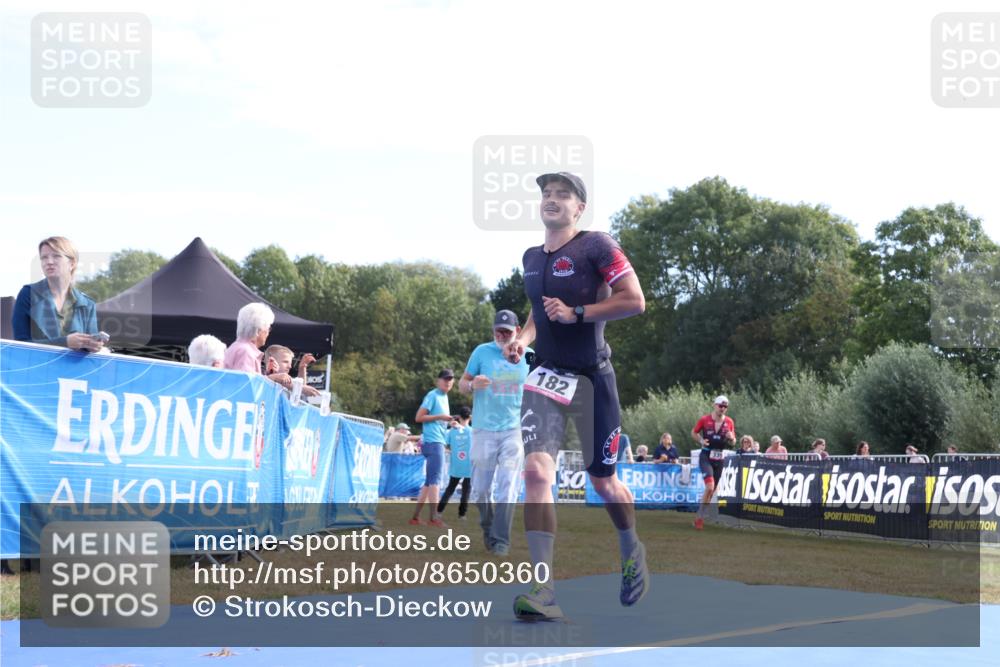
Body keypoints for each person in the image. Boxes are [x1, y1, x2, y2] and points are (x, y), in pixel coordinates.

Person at [504, 171, 648, 620]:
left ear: (579, 208)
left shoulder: (596, 246)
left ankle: (631, 548)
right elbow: (537, 310)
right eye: (546, 193)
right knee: (535, 473)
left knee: (604, 483)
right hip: (546, 375)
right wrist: (523, 340)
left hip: (591, 378)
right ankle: (544, 590)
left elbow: (634, 300)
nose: (552, 199)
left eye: (562, 195)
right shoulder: (531, 257)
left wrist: (578, 312)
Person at [459, 309, 530, 556]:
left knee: (508, 485)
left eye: (506, 332)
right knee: (479, 489)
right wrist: (472, 385)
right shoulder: (481, 352)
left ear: (517, 331)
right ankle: (488, 527)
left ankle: (501, 540)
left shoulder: (529, 356)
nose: (501, 335)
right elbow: (462, 384)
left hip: (514, 430)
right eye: (497, 331)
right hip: (483, 430)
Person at [13, 237, 104, 352]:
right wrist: (65, 342)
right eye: (44, 257)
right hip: (37, 363)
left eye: (56, 256)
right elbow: (19, 346)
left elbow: (90, 350)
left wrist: (94, 347)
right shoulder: (28, 294)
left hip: (74, 364)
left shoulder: (87, 304)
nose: (49, 262)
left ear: (72, 263)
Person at [410, 369, 455, 527]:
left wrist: (449, 423)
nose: (448, 382)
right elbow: (418, 417)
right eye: (445, 379)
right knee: (435, 481)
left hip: (436, 441)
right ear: (438, 380)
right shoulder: (433, 395)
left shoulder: (444, 397)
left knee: (429, 483)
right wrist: (440, 417)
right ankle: (434, 518)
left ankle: (415, 517)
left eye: (450, 379)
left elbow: (439, 422)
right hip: (434, 443)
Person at [691, 395, 736, 530]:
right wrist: (701, 440)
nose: (722, 408)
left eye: (725, 407)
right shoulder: (705, 419)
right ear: (715, 405)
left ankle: (701, 514)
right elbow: (694, 432)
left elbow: (733, 442)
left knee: (713, 490)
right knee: (710, 487)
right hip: (706, 456)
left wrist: (731, 438)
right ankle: (700, 518)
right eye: (720, 406)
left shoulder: (729, 421)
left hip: (719, 458)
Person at [437, 407, 473, 520]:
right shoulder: (473, 431)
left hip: (456, 463)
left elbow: (445, 444)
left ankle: (439, 511)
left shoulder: (452, 431)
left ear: (459, 417)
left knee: (450, 488)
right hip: (469, 464)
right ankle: (462, 514)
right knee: (466, 490)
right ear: (470, 417)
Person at [223, 302, 274, 373]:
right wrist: (271, 378)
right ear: (258, 330)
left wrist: (269, 375)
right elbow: (245, 379)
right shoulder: (245, 352)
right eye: (268, 328)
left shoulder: (237, 347)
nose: (268, 333)